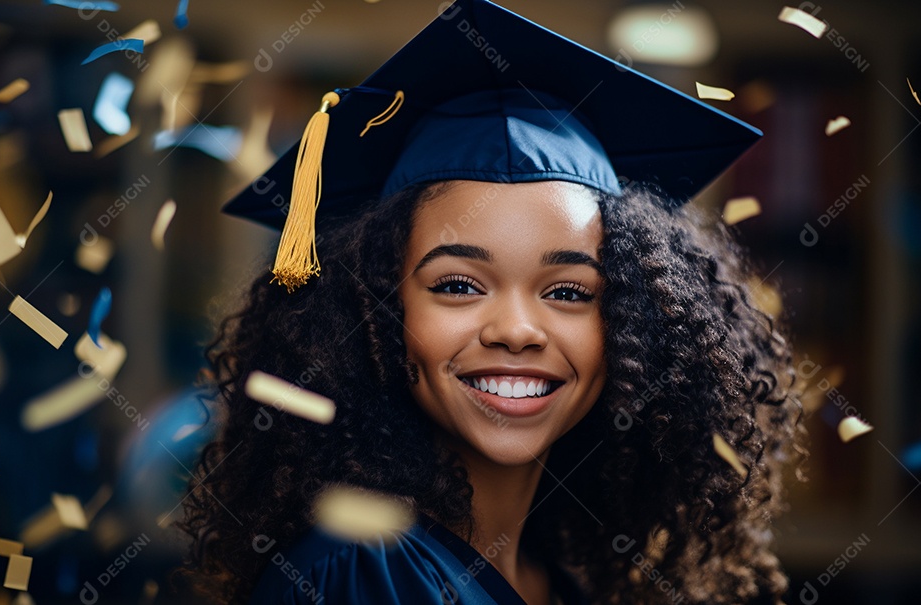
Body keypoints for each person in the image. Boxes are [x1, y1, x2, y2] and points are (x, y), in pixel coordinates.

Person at [179, 1, 804, 603]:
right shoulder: (365, 574)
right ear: (376, 313)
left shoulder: (556, 578)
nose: (516, 330)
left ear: (636, 328)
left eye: (568, 292)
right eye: (457, 285)